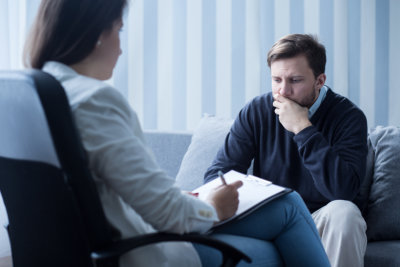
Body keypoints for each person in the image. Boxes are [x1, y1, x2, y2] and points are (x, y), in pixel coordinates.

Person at [23, 1, 330, 266]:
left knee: (283, 220)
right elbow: (170, 214)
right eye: (119, 30)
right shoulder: (95, 101)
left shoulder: (32, 94)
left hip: (77, 249)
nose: (120, 47)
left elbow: (105, 191)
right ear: (97, 35)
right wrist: (213, 207)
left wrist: (182, 197)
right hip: (139, 252)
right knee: (287, 211)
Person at [204, 33, 368, 267]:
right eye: (277, 80)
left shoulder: (349, 117)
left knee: (345, 213)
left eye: (295, 80)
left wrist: (303, 128)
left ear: (320, 81)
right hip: (275, 219)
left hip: (322, 220)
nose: (283, 92)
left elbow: (343, 191)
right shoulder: (257, 111)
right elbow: (217, 174)